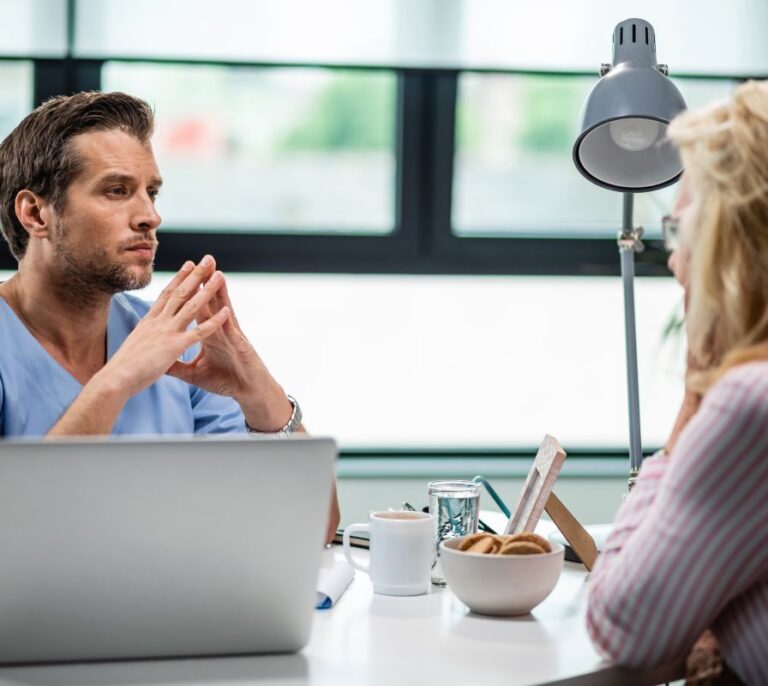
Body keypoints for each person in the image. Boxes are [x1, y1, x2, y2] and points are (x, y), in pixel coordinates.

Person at [0, 91, 340, 542]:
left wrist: (260, 393)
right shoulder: (141, 349)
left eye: (152, 192)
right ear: (35, 212)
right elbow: (20, 530)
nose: (150, 216)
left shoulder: (179, 346)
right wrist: (117, 380)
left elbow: (311, 527)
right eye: (117, 190)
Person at [586, 81, 768, 685]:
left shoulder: (751, 403)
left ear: (731, 247)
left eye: (683, 231)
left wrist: (694, 399)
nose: (673, 260)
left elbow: (622, 625)